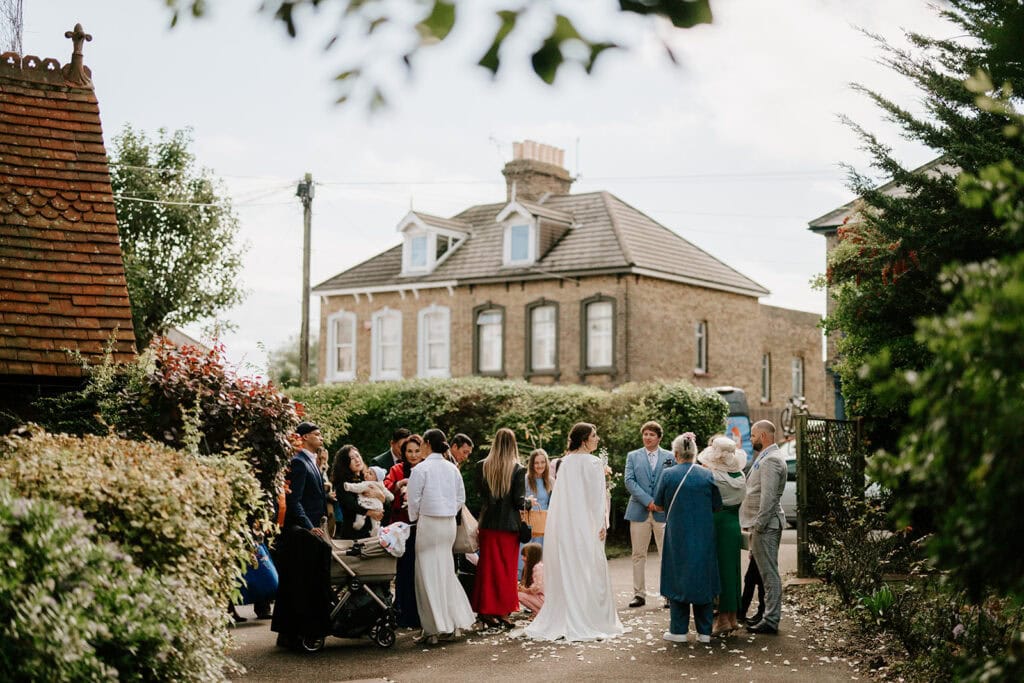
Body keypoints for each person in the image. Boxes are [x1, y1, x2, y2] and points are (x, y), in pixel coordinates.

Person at [525, 423, 625, 642]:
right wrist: (601, 524)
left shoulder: (565, 462)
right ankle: (591, 617)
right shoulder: (594, 462)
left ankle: (568, 613)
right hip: (586, 524)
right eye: (594, 436)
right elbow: (596, 499)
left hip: (566, 524)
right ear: (583, 440)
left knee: (569, 567)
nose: (597, 439)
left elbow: (560, 498)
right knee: (589, 567)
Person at [407, 428, 476, 645]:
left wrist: (416, 516)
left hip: (428, 522)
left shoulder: (421, 469)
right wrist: (448, 510)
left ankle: (432, 630)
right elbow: (460, 498)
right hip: (447, 525)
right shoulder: (451, 468)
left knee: (426, 574)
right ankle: (453, 624)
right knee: (445, 571)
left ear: (427, 443)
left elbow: (414, 500)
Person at [653, 432, 722, 645]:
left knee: (677, 577)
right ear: (695, 452)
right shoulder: (707, 475)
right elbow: (717, 505)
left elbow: (659, 504)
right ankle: (704, 631)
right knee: (703, 576)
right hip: (703, 534)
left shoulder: (668, 475)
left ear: (675, 453)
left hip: (678, 535)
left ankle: (679, 630)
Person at [271, 421, 331, 649]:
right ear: (304, 437)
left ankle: (288, 633)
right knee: (299, 583)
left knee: (297, 584)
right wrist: (308, 526)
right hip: (300, 534)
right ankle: (296, 632)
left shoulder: (312, 462)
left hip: (310, 528)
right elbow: (294, 501)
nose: (321, 437)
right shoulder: (298, 462)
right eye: (317, 434)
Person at [472, 428, 528, 629]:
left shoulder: (482, 467)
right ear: (513, 445)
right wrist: (529, 503)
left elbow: (480, 496)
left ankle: (486, 611)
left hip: (487, 524)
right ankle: (503, 613)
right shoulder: (518, 469)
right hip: (508, 527)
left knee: (487, 569)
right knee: (506, 571)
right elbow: (517, 501)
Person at [740, 420, 787, 635]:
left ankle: (770, 619)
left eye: (753, 435)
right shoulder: (767, 457)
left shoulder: (771, 460)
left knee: (769, 575)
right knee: (763, 575)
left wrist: (758, 525)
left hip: (766, 526)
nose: (751, 440)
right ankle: (766, 616)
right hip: (762, 526)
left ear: (764, 436)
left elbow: (767, 499)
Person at [697, 436, 747, 634]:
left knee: (721, 573)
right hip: (733, 524)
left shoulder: (715, 477)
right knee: (732, 571)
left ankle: (723, 620)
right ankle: (733, 617)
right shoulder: (739, 475)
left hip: (717, 523)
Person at [623, 420, 673, 609]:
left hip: (663, 511)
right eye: (645, 434)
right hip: (639, 511)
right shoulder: (633, 456)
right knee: (638, 554)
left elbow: (672, 479)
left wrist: (659, 502)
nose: (647, 437)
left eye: (651, 434)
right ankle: (639, 594)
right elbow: (629, 481)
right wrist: (648, 501)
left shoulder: (670, 456)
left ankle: (668, 594)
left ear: (659, 437)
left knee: (666, 554)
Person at [385, 434, 425, 628]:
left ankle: (421, 613)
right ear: (403, 452)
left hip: (423, 524)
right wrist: (398, 485)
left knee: (421, 569)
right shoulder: (397, 469)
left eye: (417, 451)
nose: (413, 455)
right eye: (409, 451)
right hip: (402, 527)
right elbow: (385, 489)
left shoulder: (426, 468)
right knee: (404, 571)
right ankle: (403, 612)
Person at [332, 445, 388, 540]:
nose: (357, 460)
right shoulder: (343, 484)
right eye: (351, 458)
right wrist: (371, 513)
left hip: (373, 533)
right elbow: (351, 505)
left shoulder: (370, 479)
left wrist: (380, 496)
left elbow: (387, 503)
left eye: (357, 456)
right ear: (345, 463)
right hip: (353, 534)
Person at [517, 542, 544, 617]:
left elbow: (537, 587)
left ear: (533, 556)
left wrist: (525, 590)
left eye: (525, 556)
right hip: (540, 598)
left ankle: (539, 613)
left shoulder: (538, 567)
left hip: (543, 599)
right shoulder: (532, 567)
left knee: (519, 595)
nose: (522, 558)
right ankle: (537, 612)